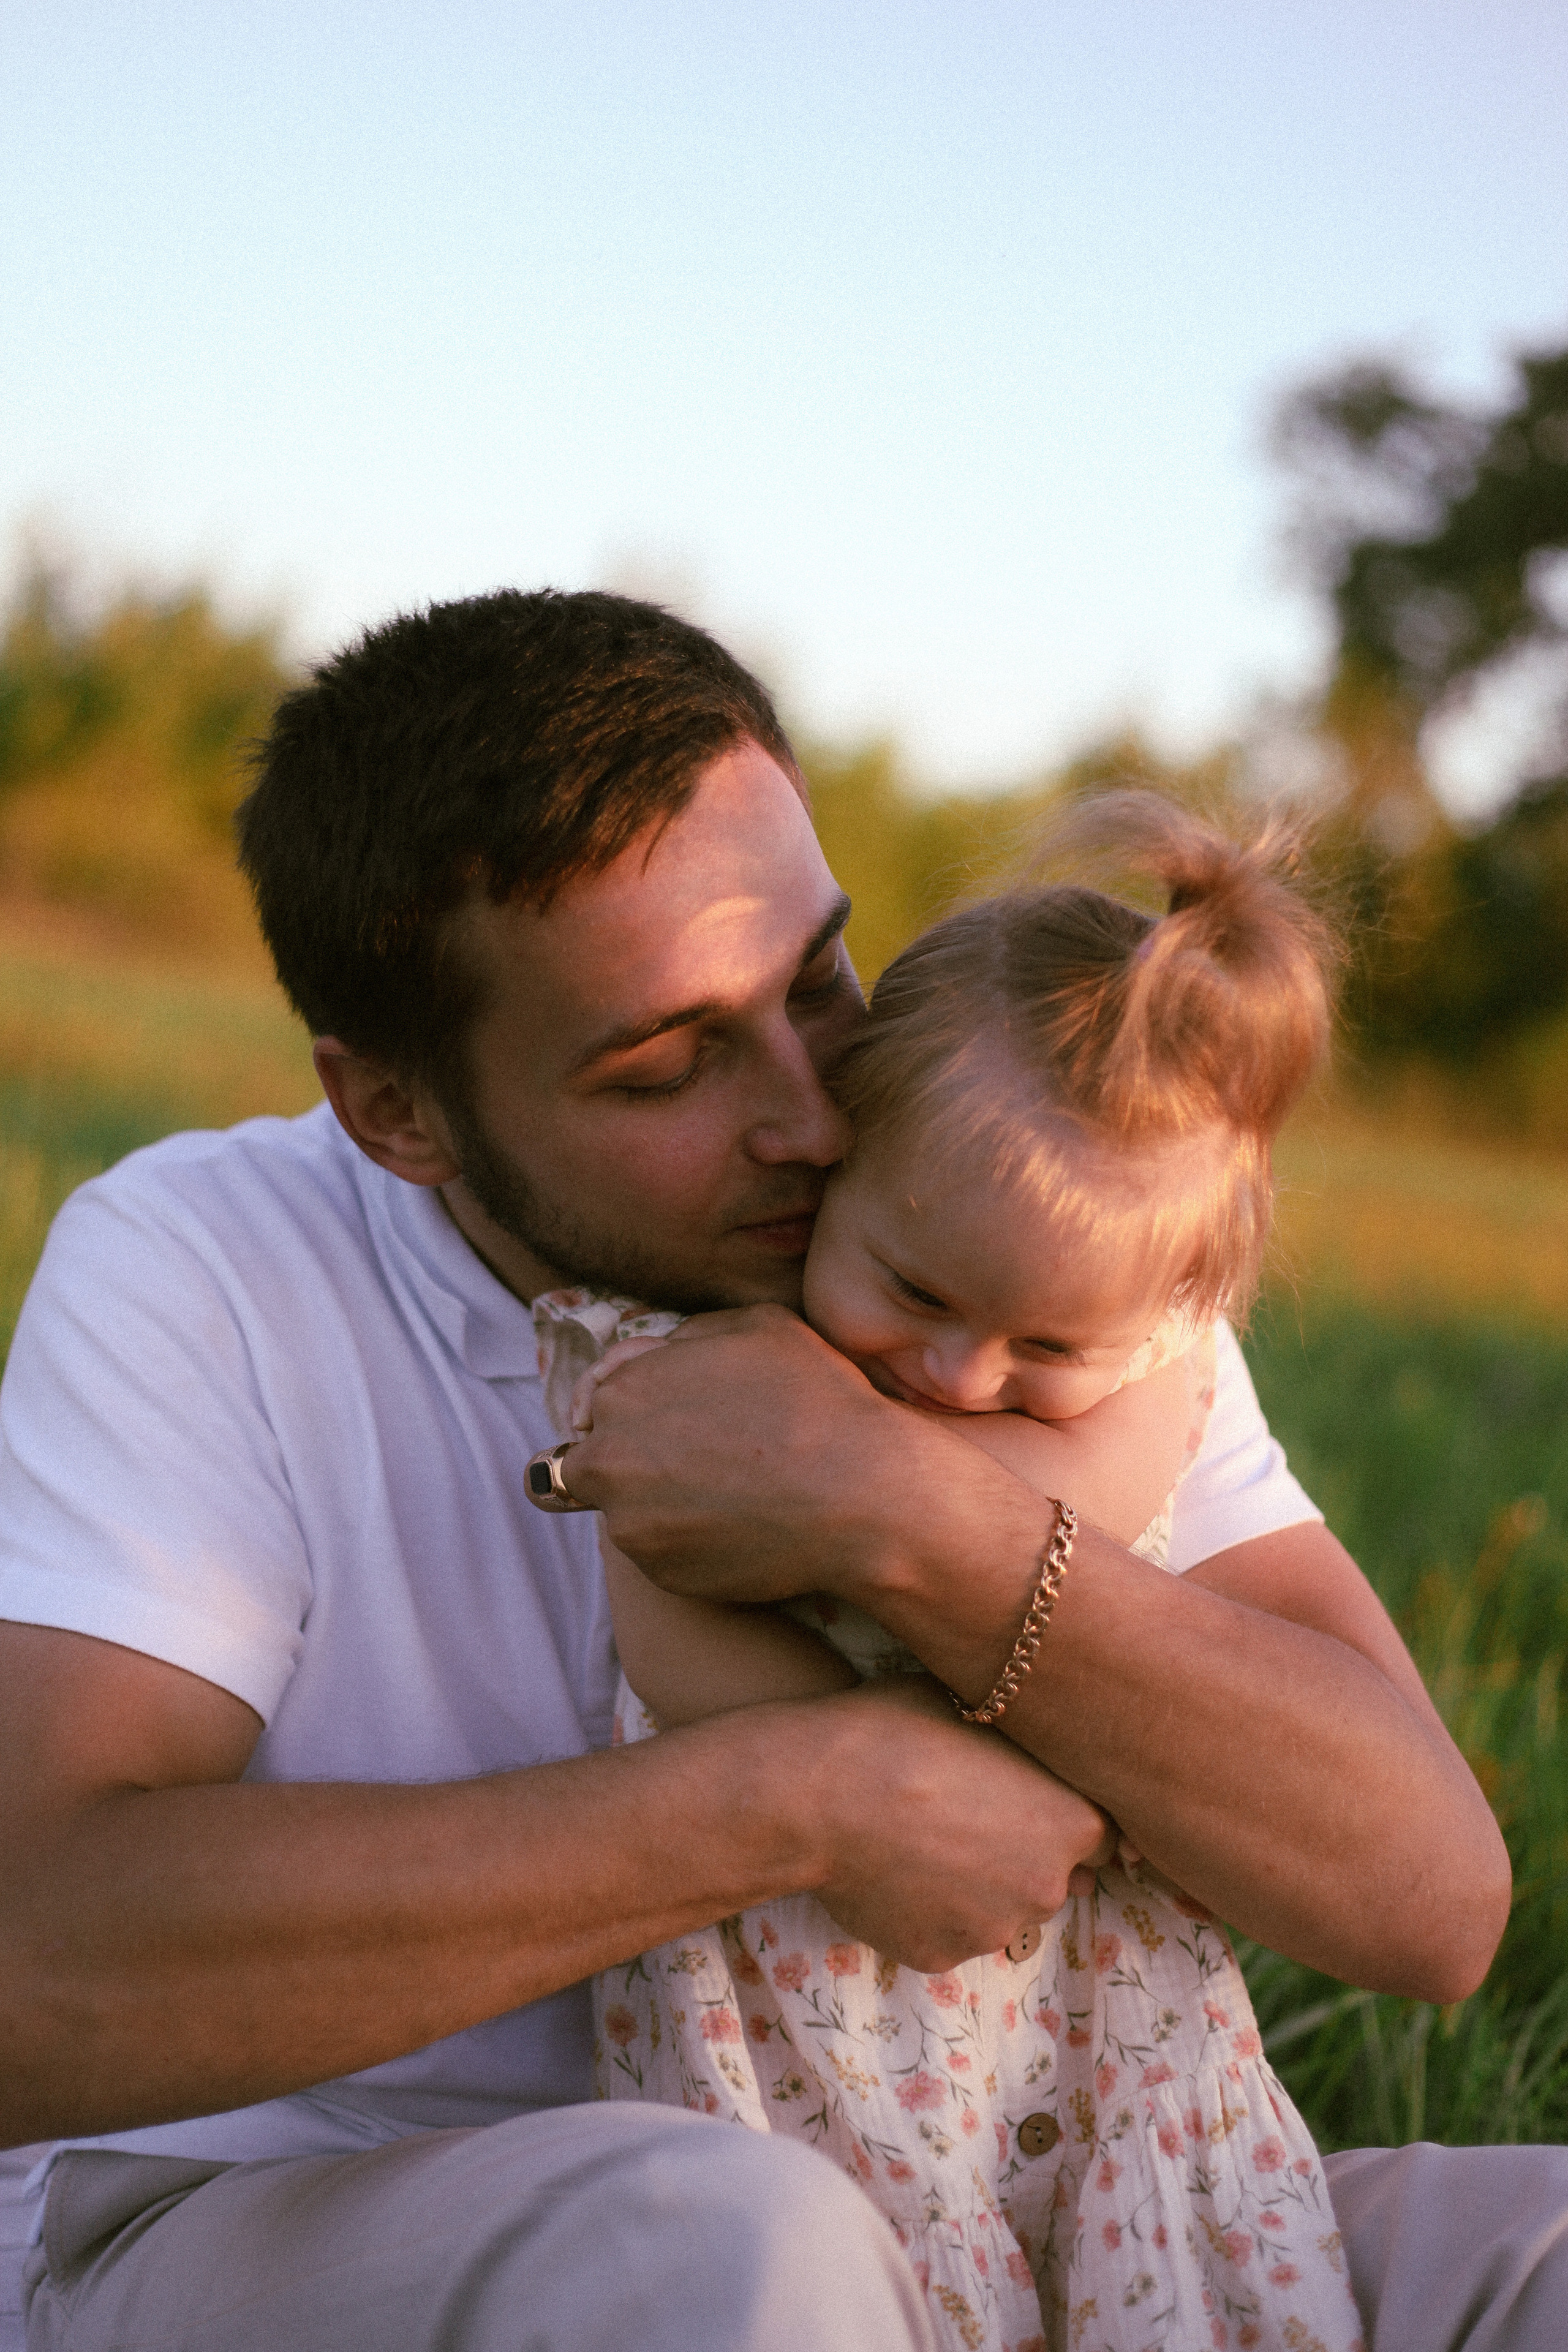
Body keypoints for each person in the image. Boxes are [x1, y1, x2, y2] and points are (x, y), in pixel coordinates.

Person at [0, 589, 1556, 2352]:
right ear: (400, 1115)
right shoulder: (205, 1266)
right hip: (324, 2215)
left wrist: (915, 1516)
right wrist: (802, 1800)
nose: (815, 1115)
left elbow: (1429, 1900)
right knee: (735, 2249)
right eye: (670, 1061)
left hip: (1027, 2190)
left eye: (817, 975)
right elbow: (33, 1973)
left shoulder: (989, 1255)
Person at [547, 796, 1363, 2352]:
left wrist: (888, 1508)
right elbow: (683, 1661)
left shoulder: (1153, 1378)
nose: (957, 1370)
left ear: (1151, 1313)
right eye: (912, 1288)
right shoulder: (699, 1380)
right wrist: (946, 1760)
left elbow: (1092, 1493)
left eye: (1042, 1345)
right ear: (834, 1163)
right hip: (806, 2056)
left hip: (1107, 2068)